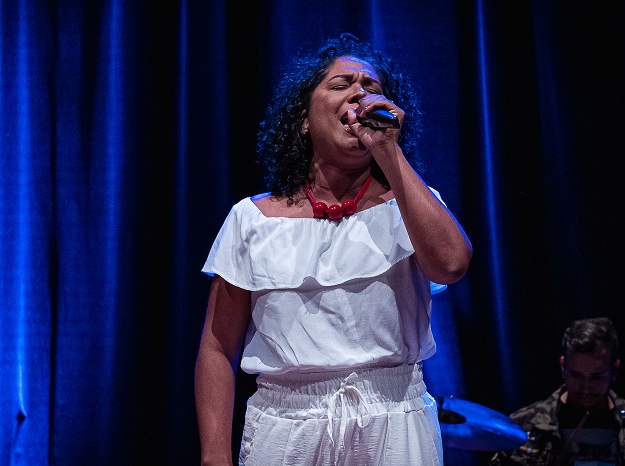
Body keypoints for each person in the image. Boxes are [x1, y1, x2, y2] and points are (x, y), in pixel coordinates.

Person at [194, 32, 473, 466]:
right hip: (285, 428)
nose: (359, 94)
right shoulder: (252, 219)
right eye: (342, 85)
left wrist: (387, 149)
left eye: (371, 88)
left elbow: (451, 265)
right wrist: (215, 456)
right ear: (304, 119)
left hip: (395, 422)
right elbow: (217, 346)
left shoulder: (409, 206)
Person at [490, 317, 625, 465]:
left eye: (596, 377)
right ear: (562, 367)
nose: (585, 387)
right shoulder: (523, 424)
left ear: (614, 370)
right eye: (576, 375)